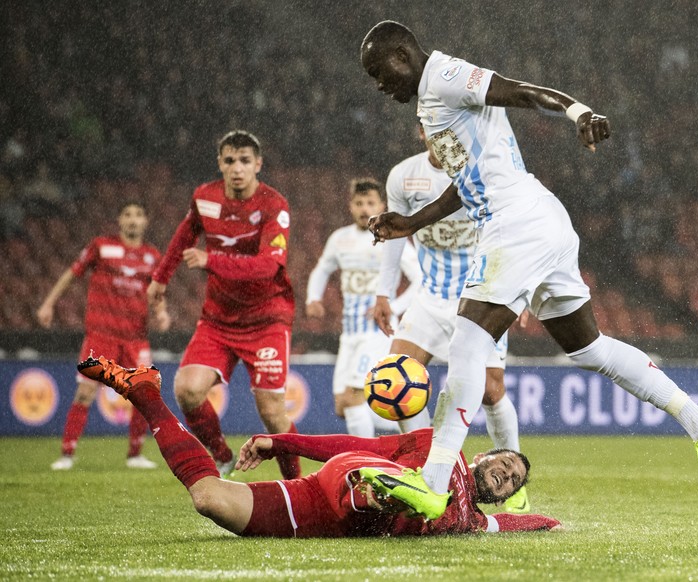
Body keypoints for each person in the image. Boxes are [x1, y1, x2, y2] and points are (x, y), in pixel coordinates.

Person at [360, 21, 698, 518]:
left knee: (468, 341)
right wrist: (412, 222)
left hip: (516, 224)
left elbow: (521, 92)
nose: (379, 85)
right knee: (589, 348)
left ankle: (432, 481)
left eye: (379, 72)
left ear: (402, 55)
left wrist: (579, 111)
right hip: (538, 220)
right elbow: (468, 181)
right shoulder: (432, 105)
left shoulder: (443, 75)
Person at [76, 354, 561, 537]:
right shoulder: (442, 447)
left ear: (500, 495)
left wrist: (552, 521)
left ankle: (143, 392)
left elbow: (523, 520)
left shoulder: (474, 521)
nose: (506, 474)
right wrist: (283, 439)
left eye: (512, 480)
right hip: (350, 477)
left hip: (320, 514)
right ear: (483, 454)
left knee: (209, 498)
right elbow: (352, 440)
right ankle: (387, 490)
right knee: (383, 490)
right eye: (506, 462)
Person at [373, 127, 529, 513]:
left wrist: (522, 287)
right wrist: (383, 291)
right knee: (396, 378)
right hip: (430, 298)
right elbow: (395, 235)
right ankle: (425, 470)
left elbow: (516, 226)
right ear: (420, 130)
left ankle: (517, 486)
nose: (440, 133)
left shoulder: (484, 171)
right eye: (430, 125)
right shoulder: (403, 176)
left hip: (482, 296)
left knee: (492, 391)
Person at [147, 130, 300, 479]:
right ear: (220, 163)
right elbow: (185, 235)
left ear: (258, 164)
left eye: (245, 161)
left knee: (272, 412)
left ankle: (298, 484)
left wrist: (211, 259)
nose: (237, 168)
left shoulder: (273, 205)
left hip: (267, 319)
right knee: (187, 390)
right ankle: (221, 454)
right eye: (229, 160)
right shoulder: (205, 197)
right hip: (218, 320)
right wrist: (160, 278)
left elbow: (268, 266)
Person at [37, 201, 170, 470]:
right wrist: (48, 303)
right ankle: (67, 454)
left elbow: (157, 292)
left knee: (143, 394)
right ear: (119, 220)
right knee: (85, 392)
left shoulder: (153, 256)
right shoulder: (101, 247)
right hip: (101, 335)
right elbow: (71, 274)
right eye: (128, 214)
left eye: (139, 215)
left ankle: (135, 455)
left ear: (146, 222)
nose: (133, 220)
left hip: (136, 337)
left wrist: (162, 312)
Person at [305, 177, 421, 437]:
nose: (364, 208)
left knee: (352, 397)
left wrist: (394, 307)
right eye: (359, 203)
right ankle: (402, 430)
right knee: (342, 405)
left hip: (377, 333)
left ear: (382, 205)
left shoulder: (393, 239)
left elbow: (421, 279)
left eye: (370, 202)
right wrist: (313, 298)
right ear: (351, 206)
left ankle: (365, 458)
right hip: (350, 333)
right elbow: (322, 269)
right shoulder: (340, 239)